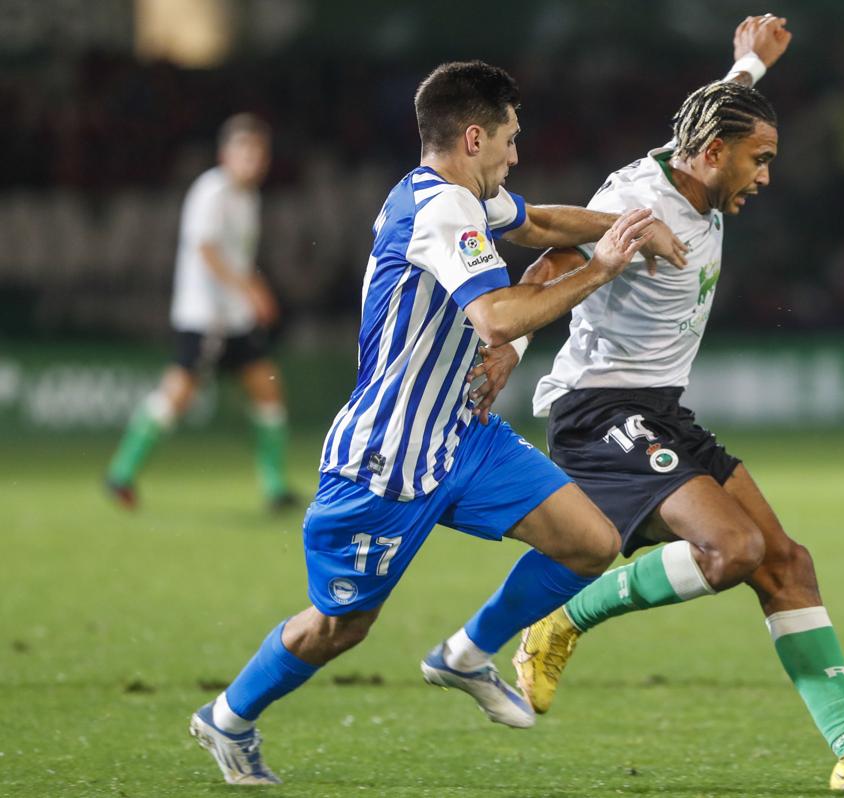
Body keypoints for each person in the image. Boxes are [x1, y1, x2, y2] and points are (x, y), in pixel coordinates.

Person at [188, 60, 687, 786]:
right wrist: (605, 266)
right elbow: (496, 315)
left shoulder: (459, 197)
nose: (517, 155)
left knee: (591, 543)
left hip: (462, 436)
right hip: (386, 461)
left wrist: (640, 226)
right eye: (512, 140)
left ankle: (464, 655)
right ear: (476, 137)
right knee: (339, 627)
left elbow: (544, 222)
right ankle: (228, 717)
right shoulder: (441, 211)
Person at [502, 16, 844, 792]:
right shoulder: (639, 201)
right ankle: (559, 620)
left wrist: (748, 62)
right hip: (600, 412)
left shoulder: (698, 157)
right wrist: (503, 351)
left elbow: (721, 107)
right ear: (715, 155)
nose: (767, 176)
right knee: (734, 550)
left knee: (787, 563)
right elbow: (550, 256)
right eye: (762, 160)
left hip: (658, 409)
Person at [105, 113, 297, 511]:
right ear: (226, 154)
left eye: (259, 153)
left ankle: (275, 487)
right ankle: (121, 473)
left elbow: (234, 257)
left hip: (234, 318)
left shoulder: (248, 198)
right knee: (177, 396)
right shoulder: (211, 192)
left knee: (267, 389)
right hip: (205, 316)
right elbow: (206, 250)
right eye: (245, 151)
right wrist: (252, 288)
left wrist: (249, 294)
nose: (253, 160)